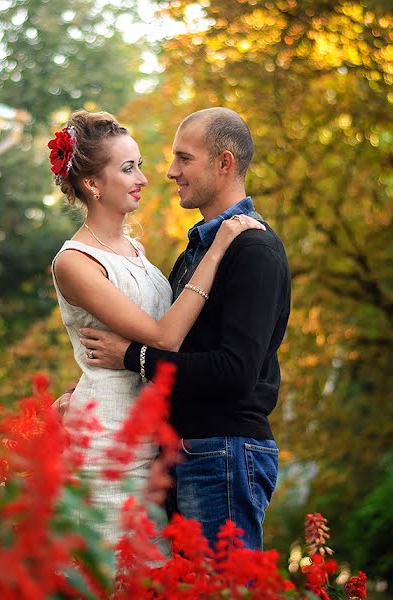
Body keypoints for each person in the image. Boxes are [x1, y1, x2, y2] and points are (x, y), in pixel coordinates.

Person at [78, 107, 291, 551]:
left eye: (184, 159)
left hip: (225, 450)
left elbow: (235, 372)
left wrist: (131, 356)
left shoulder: (254, 248)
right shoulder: (198, 251)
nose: (171, 172)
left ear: (224, 163)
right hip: (188, 450)